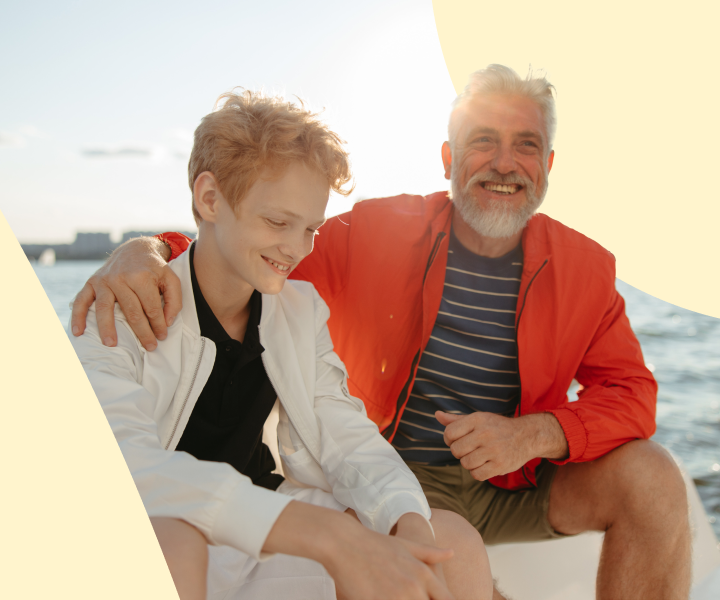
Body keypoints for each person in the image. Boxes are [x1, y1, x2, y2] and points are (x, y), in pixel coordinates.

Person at [72, 65, 692, 600]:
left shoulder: (587, 269)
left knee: (648, 478)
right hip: (398, 467)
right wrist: (148, 249)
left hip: (514, 479)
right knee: (182, 541)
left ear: (548, 164)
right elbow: (237, 252)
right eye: (483, 141)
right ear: (448, 158)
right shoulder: (372, 233)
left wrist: (535, 434)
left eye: (525, 144)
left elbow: (634, 396)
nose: (505, 164)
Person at [68, 89, 494, 600]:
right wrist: (327, 536)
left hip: (269, 539)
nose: (296, 248)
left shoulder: (300, 310)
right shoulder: (118, 305)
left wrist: (408, 520)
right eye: (277, 222)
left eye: (311, 228)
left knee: (452, 543)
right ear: (209, 199)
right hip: (170, 537)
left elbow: (346, 433)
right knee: (174, 545)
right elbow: (122, 467)